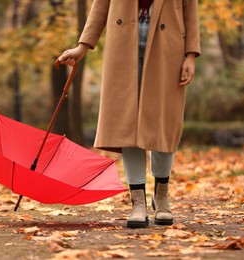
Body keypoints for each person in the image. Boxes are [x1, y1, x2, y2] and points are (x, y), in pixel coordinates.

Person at [58, 0, 201, 228]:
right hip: (123, 50)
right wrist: (83, 46)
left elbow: (190, 10)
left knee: (163, 125)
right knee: (129, 125)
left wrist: (191, 55)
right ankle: (138, 203)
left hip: (168, 51)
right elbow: (100, 6)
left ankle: (162, 197)